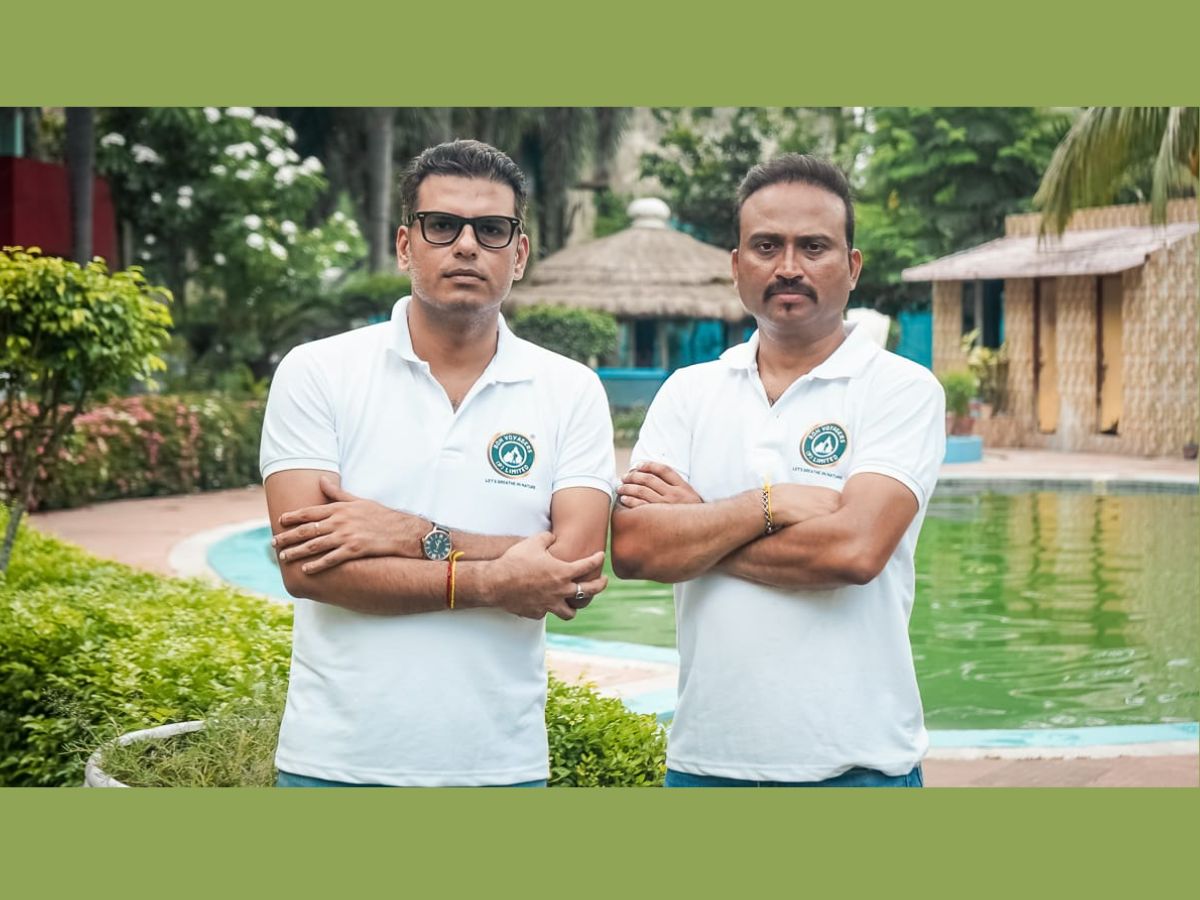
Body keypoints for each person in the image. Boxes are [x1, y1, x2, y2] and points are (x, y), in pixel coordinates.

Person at [260, 140, 615, 787]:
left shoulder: (570, 389)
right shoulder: (318, 372)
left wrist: (414, 535)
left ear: (519, 254)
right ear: (405, 245)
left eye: (492, 229)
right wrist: (492, 580)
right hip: (335, 763)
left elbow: (574, 571)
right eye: (442, 225)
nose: (467, 245)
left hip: (500, 768)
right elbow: (306, 568)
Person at [610, 154, 945, 788]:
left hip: (857, 767)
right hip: (705, 765)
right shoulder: (688, 392)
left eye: (813, 246)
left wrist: (698, 527)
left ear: (852, 267)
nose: (789, 266)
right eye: (767, 246)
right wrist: (769, 504)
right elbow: (633, 549)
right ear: (737, 265)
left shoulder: (899, 389)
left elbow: (853, 552)